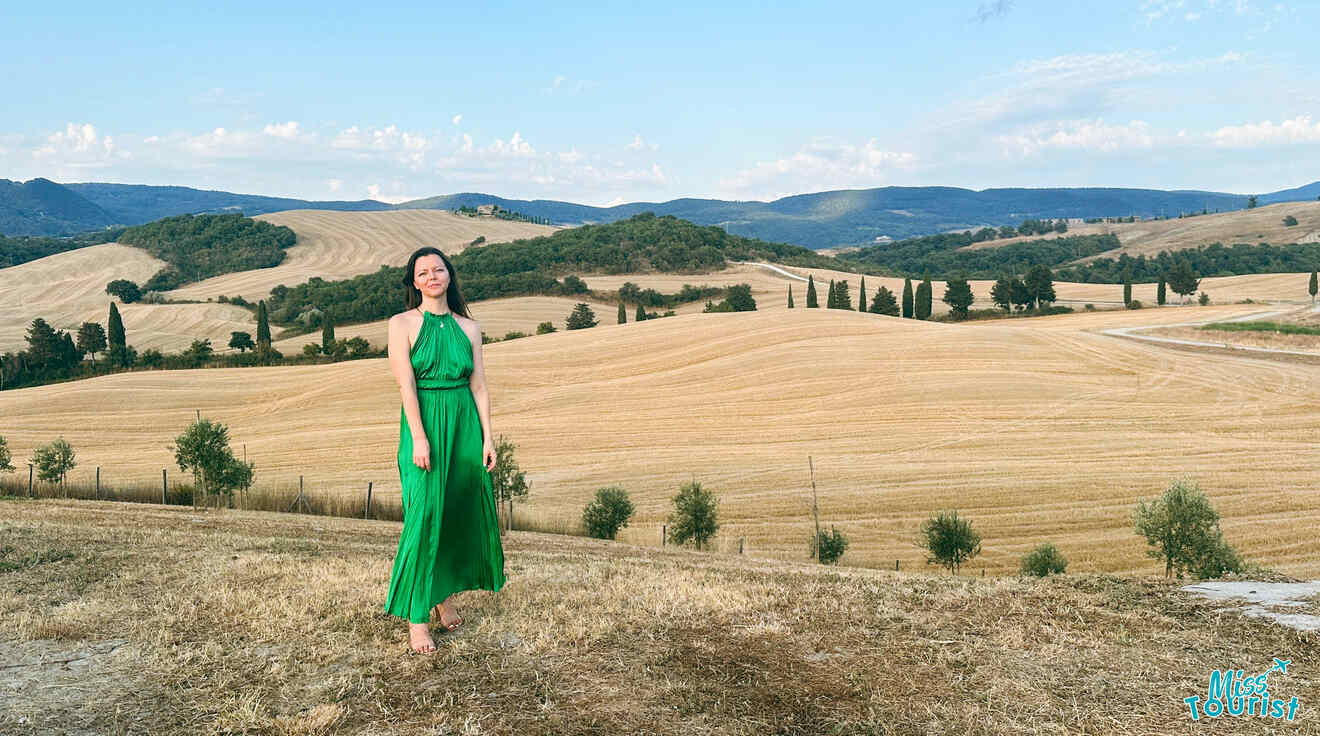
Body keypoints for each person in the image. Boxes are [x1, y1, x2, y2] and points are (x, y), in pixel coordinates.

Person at [384, 246, 506, 654]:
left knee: (454, 513)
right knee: (425, 516)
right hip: (425, 425)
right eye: (423, 271)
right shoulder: (401, 324)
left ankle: (444, 598)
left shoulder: (469, 328)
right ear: (414, 281)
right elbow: (406, 386)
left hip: (464, 424)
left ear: (449, 276)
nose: (432, 276)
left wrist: (488, 437)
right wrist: (419, 437)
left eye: (439, 269)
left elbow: (480, 385)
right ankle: (418, 618)